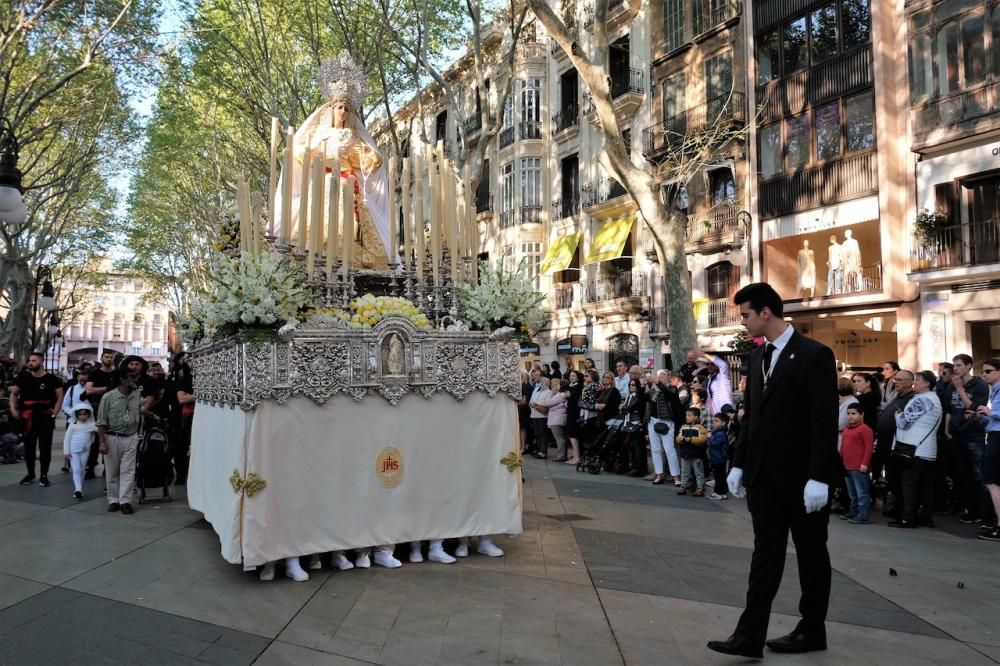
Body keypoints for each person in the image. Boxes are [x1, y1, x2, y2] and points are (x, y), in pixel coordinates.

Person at [708, 283, 838, 659]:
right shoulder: (755, 357)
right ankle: (749, 635)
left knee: (812, 553)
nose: (743, 321)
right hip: (764, 477)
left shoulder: (814, 354)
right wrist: (740, 463)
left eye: (746, 314)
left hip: (803, 479)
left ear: (766, 312)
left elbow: (823, 420)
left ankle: (812, 628)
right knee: (766, 553)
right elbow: (752, 418)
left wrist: (819, 475)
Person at [274, 52, 395, 267]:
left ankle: (352, 253)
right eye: (340, 107)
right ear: (331, 109)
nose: (344, 112)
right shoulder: (319, 135)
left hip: (349, 185)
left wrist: (363, 155)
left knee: (353, 223)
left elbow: (370, 159)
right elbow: (302, 152)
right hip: (323, 184)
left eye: (347, 109)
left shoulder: (354, 136)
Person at [890, 370, 943, 529]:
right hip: (925, 450)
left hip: (915, 450)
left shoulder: (924, 399)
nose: (915, 383)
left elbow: (904, 422)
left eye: (918, 380)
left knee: (909, 484)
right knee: (924, 485)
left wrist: (898, 415)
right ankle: (925, 516)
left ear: (927, 383)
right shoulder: (932, 399)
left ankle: (908, 518)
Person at [945, 354, 991, 527]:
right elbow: (949, 409)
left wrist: (960, 389)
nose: (955, 368)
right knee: (962, 473)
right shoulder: (951, 385)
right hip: (956, 434)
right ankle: (969, 509)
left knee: (978, 474)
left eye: (959, 365)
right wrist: (947, 429)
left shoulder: (978, 384)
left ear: (969, 366)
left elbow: (973, 408)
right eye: (954, 365)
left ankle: (983, 512)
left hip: (973, 434)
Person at [10, 353, 64, 487]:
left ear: (41, 362)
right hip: (28, 417)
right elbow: (14, 393)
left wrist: (54, 414)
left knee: (45, 447)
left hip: (45, 417)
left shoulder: (52, 379)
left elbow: (60, 397)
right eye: (29, 361)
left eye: (34, 361)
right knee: (29, 447)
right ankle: (30, 473)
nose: (30, 363)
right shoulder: (23, 377)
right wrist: (13, 408)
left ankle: (44, 475)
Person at [96, 371, 142, 515]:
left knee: (128, 470)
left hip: (131, 437)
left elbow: (139, 412)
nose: (134, 379)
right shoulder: (108, 397)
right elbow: (101, 421)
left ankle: (125, 501)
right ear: (122, 380)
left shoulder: (136, 395)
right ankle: (114, 500)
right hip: (112, 437)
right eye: (131, 377)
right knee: (112, 470)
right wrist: (102, 442)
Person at [975, 358, 1000, 541]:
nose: (984, 374)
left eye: (988, 371)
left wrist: (990, 413)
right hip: (994, 435)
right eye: (983, 371)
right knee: (993, 482)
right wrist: (982, 417)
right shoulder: (995, 391)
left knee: (992, 481)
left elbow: (996, 416)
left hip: (998, 439)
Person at [84, 350, 118, 479]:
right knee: (95, 439)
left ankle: (107, 468)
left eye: (111, 357)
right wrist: (107, 389)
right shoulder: (95, 374)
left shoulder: (116, 374)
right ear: (101, 358)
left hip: (114, 410)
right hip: (97, 409)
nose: (109, 359)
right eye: (107, 357)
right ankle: (90, 467)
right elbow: (89, 390)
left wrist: (99, 390)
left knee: (109, 439)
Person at [647, 369, 683, 486]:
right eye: (658, 376)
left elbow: (669, 395)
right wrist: (644, 385)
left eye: (663, 376)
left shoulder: (672, 389)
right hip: (653, 420)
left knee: (669, 449)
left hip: (667, 421)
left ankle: (676, 476)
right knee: (655, 449)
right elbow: (645, 400)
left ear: (668, 378)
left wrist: (658, 383)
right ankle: (659, 474)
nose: (660, 378)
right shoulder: (653, 390)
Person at [839, 403, 874, 524]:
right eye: (848, 414)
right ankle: (853, 512)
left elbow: (869, 448)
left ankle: (863, 516)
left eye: (853, 414)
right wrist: (840, 461)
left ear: (861, 414)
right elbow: (843, 447)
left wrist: (865, 463)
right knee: (852, 493)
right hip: (847, 466)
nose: (850, 416)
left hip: (859, 467)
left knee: (862, 493)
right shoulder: (847, 429)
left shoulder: (865, 430)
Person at [63, 404, 97, 500]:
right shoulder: (72, 425)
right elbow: (67, 439)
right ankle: (78, 489)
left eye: (85, 414)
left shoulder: (91, 425)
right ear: (76, 415)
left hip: (85, 451)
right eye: (80, 414)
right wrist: (66, 451)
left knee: (82, 469)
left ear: (88, 415)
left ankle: (79, 490)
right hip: (74, 451)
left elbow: (99, 429)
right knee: (76, 469)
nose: (82, 416)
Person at [676, 408, 708, 496]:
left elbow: (703, 439)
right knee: (684, 471)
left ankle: (700, 488)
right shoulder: (683, 427)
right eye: (686, 415)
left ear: (696, 417)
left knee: (699, 472)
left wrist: (691, 440)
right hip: (685, 454)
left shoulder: (700, 427)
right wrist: (681, 439)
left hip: (696, 454)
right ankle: (683, 486)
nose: (687, 417)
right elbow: (678, 438)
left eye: (689, 415)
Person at [620, 378, 647, 476]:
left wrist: (624, 408)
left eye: (634, 385)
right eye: (630, 385)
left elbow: (634, 407)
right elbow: (625, 412)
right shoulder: (629, 396)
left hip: (637, 424)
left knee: (638, 447)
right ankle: (633, 465)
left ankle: (640, 468)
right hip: (628, 424)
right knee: (631, 447)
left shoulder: (639, 396)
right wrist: (624, 424)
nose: (631, 386)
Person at [541, 378, 569, 462]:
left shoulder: (560, 395)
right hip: (559, 418)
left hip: (556, 419)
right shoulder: (563, 395)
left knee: (559, 438)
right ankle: (562, 455)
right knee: (561, 438)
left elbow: (548, 403)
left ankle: (561, 456)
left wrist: (543, 402)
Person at [528, 370, 552, 459]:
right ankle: (538, 450)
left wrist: (536, 405)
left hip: (542, 416)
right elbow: (531, 401)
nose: (541, 384)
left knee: (543, 434)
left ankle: (543, 452)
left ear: (547, 384)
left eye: (543, 382)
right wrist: (532, 404)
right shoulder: (538, 392)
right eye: (541, 382)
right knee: (537, 434)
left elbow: (546, 404)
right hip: (534, 415)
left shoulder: (548, 392)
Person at [708, 412, 730, 500]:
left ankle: (718, 492)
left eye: (716, 421)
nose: (714, 423)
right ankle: (723, 493)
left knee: (719, 477)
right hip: (718, 458)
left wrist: (710, 437)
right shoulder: (719, 432)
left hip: (719, 459)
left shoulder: (720, 433)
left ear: (723, 423)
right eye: (713, 421)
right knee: (720, 477)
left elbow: (715, 443)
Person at [564, 370, 583, 465]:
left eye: (574, 376)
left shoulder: (578, 386)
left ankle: (577, 457)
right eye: (570, 376)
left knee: (574, 435)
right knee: (571, 435)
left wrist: (567, 394)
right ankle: (575, 456)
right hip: (570, 412)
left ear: (578, 378)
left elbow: (568, 395)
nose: (571, 377)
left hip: (575, 413)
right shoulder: (570, 386)